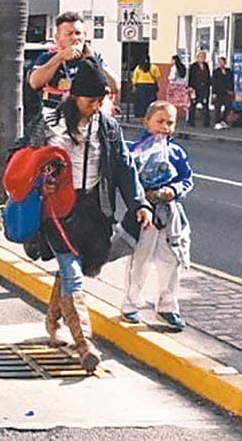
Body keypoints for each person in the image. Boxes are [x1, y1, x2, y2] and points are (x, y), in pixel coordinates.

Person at [33, 58, 152, 372]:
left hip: (94, 210)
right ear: (75, 97)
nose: (96, 105)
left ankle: (51, 321)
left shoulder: (108, 126)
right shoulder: (50, 124)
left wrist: (139, 203)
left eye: (102, 100)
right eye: (90, 100)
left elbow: (125, 168)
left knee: (79, 266)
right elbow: (23, 160)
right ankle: (85, 344)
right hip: (56, 209)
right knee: (71, 270)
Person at [120, 101, 192, 330]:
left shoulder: (176, 152)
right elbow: (129, 180)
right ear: (146, 122)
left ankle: (168, 307)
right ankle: (130, 303)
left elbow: (186, 178)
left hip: (170, 215)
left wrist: (174, 190)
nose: (165, 127)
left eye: (170, 123)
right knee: (139, 260)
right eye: (160, 121)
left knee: (170, 259)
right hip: (145, 216)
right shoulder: (135, 151)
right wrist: (142, 197)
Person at [29, 12, 120, 116]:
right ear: (57, 38)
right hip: (56, 114)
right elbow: (34, 83)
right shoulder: (48, 57)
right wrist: (60, 57)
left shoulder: (94, 56)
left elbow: (115, 87)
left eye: (78, 33)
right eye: (69, 34)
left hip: (88, 115)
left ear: (84, 35)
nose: (74, 38)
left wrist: (92, 60)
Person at [188, 51, 211, 127]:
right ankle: (191, 121)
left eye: (203, 56)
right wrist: (190, 87)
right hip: (195, 88)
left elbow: (208, 76)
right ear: (197, 58)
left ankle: (206, 122)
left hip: (204, 88)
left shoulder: (206, 65)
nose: (202, 58)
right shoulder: (193, 66)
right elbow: (190, 77)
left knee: (205, 105)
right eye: (200, 56)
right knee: (193, 104)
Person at [211, 56, 234, 130]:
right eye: (219, 62)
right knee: (217, 107)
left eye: (222, 62)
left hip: (227, 92)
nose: (220, 63)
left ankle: (224, 121)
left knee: (228, 107)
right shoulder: (216, 71)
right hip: (218, 92)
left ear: (225, 63)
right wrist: (214, 93)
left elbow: (231, 81)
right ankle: (217, 122)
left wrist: (231, 90)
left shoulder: (229, 71)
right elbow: (214, 82)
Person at [166, 55, 189, 121]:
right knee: (183, 102)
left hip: (173, 86)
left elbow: (172, 77)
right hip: (182, 86)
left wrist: (168, 77)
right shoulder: (184, 67)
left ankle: (171, 115)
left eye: (172, 60)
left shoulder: (174, 68)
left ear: (174, 60)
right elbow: (185, 78)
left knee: (171, 102)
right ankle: (187, 114)